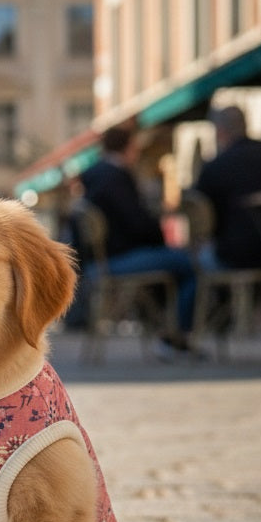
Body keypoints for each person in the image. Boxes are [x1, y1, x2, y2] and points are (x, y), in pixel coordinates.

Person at [79, 123, 199, 359]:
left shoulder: (93, 176)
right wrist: (160, 238)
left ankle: (165, 329)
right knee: (188, 264)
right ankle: (175, 336)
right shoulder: (117, 177)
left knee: (168, 264)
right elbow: (137, 224)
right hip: (119, 259)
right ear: (128, 148)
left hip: (100, 262)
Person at [195, 105, 261, 269]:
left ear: (219, 132)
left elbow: (203, 218)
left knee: (198, 262)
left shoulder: (215, 167)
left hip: (235, 254)